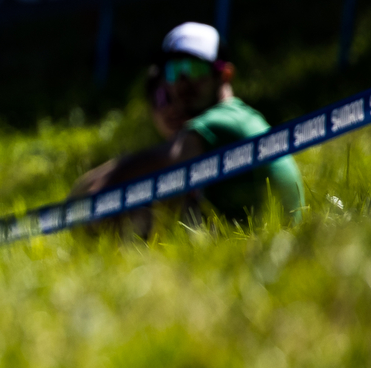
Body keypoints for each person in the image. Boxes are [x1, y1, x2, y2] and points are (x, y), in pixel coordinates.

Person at [71, 22, 305, 227]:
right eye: (173, 71)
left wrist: (95, 189)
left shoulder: (221, 121)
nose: (183, 81)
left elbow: (168, 159)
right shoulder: (243, 117)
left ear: (224, 75)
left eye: (195, 68)